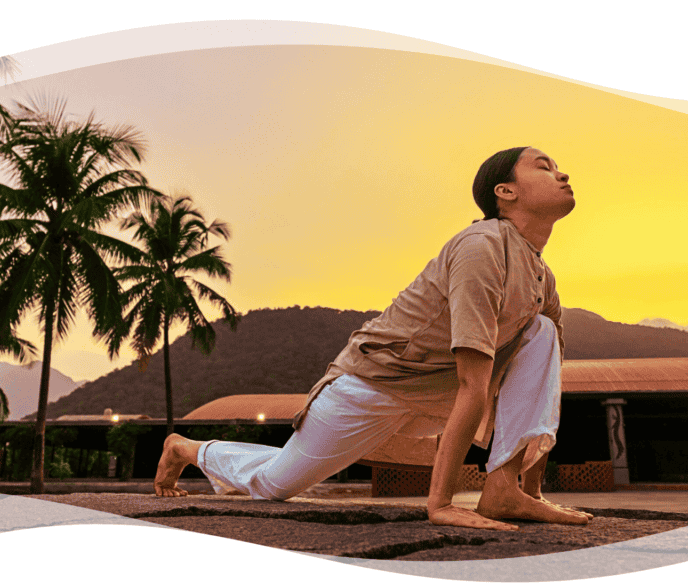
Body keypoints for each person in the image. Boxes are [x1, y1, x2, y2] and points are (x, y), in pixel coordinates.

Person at [154, 146, 592, 531]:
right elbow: (471, 382)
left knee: (543, 331)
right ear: (505, 191)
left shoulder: (541, 276)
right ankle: (186, 449)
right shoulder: (482, 247)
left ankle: (504, 488)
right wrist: (440, 505)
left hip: (435, 394)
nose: (562, 174)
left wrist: (528, 493)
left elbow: (541, 383)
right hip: (373, 384)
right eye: (543, 166)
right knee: (274, 484)